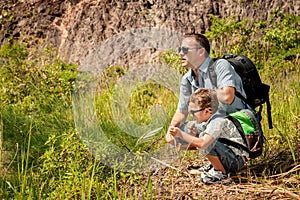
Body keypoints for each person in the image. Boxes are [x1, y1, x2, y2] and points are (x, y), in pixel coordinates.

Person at [166, 88, 248, 184]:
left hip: (235, 162)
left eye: (193, 112)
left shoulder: (217, 121)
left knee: (204, 140)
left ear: (207, 111)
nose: (192, 115)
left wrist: (181, 134)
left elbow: (204, 144)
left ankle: (221, 173)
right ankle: (216, 167)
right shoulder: (212, 119)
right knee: (202, 136)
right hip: (230, 156)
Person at [168, 33, 246, 130]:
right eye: (180, 50)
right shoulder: (187, 79)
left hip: (235, 122)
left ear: (201, 51)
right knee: (179, 132)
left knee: (197, 132)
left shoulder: (220, 65)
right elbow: (182, 111)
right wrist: (171, 129)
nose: (181, 53)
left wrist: (202, 93)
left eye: (185, 50)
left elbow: (227, 97)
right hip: (208, 124)